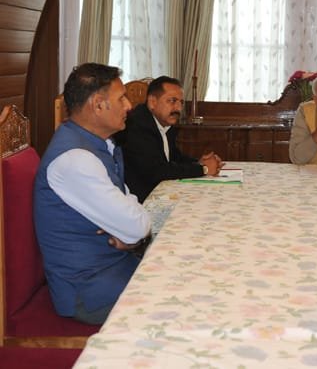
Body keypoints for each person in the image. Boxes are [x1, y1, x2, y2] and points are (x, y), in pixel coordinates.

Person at [34, 63, 152, 325]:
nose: (129, 106)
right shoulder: (76, 160)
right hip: (90, 292)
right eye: (121, 98)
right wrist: (131, 233)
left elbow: (131, 204)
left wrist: (130, 230)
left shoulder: (98, 146)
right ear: (98, 105)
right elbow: (138, 224)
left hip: (112, 271)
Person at [115, 76, 223, 202]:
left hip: (161, 193)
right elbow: (157, 171)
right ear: (152, 102)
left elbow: (173, 156)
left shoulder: (165, 122)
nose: (178, 108)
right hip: (142, 202)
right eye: (172, 101)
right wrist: (203, 169)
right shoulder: (137, 125)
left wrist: (198, 162)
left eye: (181, 102)